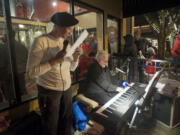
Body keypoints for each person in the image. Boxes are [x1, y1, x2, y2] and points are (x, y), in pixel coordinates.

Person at [26, 12, 82, 135]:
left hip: (66, 90)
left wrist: (76, 57)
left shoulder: (66, 43)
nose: (70, 33)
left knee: (66, 123)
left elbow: (72, 68)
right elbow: (31, 73)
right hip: (49, 92)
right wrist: (53, 61)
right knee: (50, 127)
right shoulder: (40, 41)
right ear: (59, 26)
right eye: (69, 29)